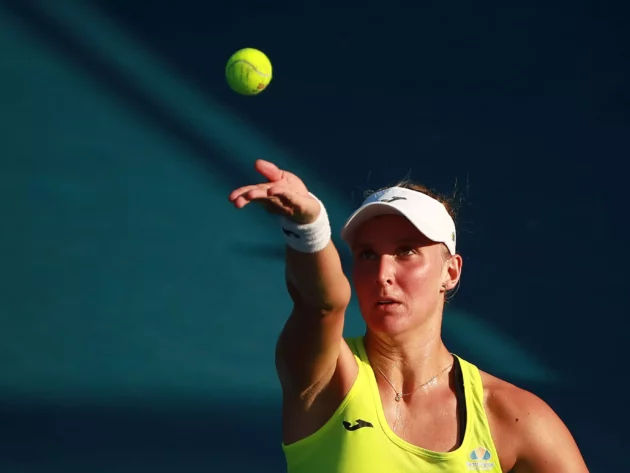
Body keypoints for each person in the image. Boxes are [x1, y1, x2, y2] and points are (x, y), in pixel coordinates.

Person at [229, 160, 589, 473]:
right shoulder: (324, 377)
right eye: (367, 254)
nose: (383, 272)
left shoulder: (514, 416)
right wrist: (308, 228)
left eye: (406, 251)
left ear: (450, 272)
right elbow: (320, 303)